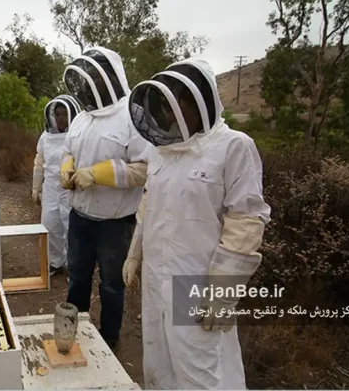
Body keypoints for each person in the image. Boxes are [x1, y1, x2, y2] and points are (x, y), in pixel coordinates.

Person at [123, 58, 271, 389]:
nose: (173, 113)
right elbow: (150, 202)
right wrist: (135, 253)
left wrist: (225, 288)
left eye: (181, 104)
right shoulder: (161, 148)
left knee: (201, 370)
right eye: (166, 105)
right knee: (157, 361)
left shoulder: (233, 147)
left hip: (196, 284)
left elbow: (246, 220)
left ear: (201, 102)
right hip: (155, 277)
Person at [59, 47, 153, 350]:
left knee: (112, 285)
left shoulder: (132, 117)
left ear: (111, 77)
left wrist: (98, 174)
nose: (93, 85)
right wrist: (67, 167)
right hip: (80, 217)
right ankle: (75, 332)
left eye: (99, 77)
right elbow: (68, 150)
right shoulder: (82, 118)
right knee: (77, 279)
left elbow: (145, 170)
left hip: (115, 222)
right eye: (91, 78)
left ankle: (109, 339)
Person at [31, 95, 84, 276]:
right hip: (50, 187)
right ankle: (55, 261)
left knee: (70, 227)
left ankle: (73, 265)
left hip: (70, 187)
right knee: (49, 224)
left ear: (71, 115)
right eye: (58, 114)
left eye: (64, 114)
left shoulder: (77, 136)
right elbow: (39, 162)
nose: (61, 118)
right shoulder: (46, 137)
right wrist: (35, 187)